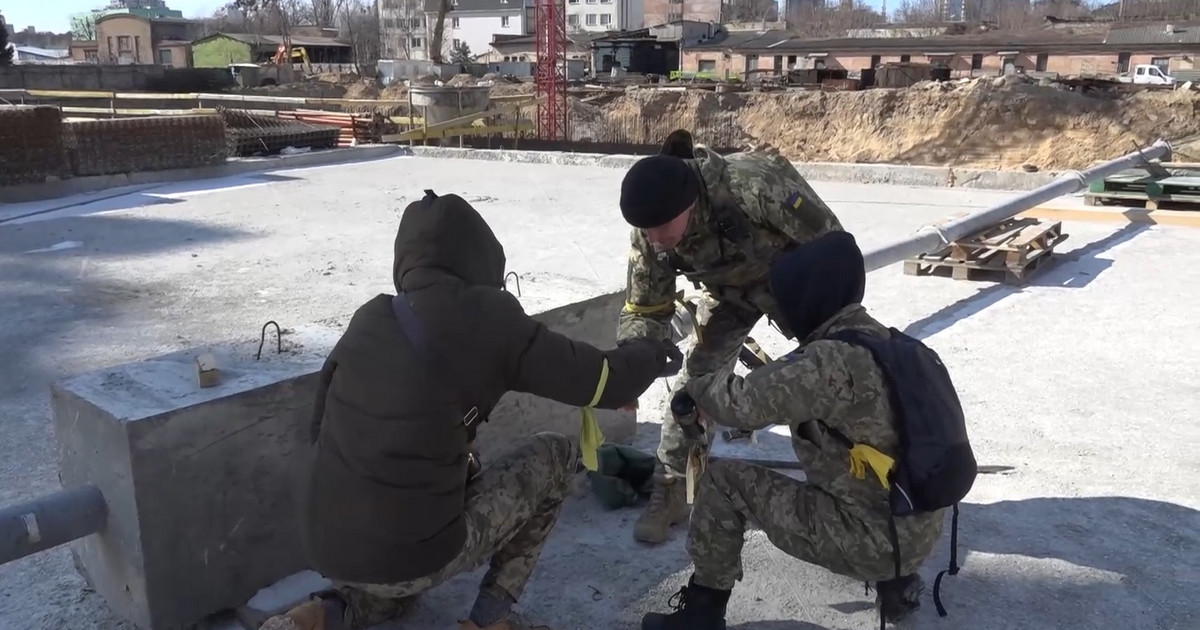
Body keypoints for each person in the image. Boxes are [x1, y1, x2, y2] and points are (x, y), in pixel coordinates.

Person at [261, 191, 677, 630]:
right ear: (478, 255)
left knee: (396, 579)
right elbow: (598, 379)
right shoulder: (487, 317)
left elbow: (320, 427)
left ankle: (318, 614)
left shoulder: (371, 317)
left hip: (330, 547)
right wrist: (649, 353)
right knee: (554, 456)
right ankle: (491, 619)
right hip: (408, 552)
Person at [640, 231, 952, 630]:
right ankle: (898, 583)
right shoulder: (894, 344)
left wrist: (695, 386)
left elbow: (739, 404)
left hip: (873, 539)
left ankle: (702, 613)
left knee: (722, 482)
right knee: (855, 462)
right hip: (916, 526)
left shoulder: (825, 361)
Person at [617, 130, 845, 544]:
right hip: (729, 296)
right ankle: (670, 488)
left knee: (830, 376)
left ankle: (846, 484)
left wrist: (830, 329)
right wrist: (630, 366)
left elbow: (833, 249)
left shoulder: (755, 186)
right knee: (694, 383)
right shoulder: (651, 231)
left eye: (660, 230)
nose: (653, 240)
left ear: (688, 205)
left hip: (799, 288)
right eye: (645, 232)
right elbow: (646, 309)